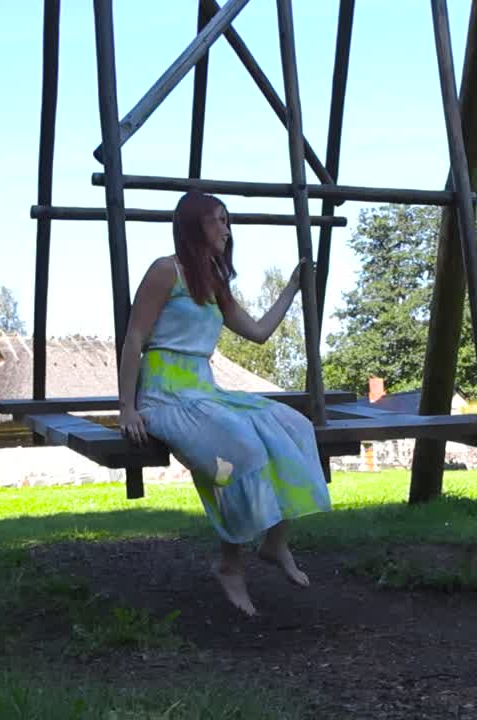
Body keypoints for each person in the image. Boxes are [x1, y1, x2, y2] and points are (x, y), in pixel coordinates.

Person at [116, 191, 332, 616]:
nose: (226, 230)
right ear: (195, 225)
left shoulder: (214, 280)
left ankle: (274, 542)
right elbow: (135, 337)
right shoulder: (166, 272)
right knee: (240, 451)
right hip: (166, 394)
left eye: (227, 221)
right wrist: (127, 406)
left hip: (205, 388)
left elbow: (258, 332)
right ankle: (230, 564)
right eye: (219, 220)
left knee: (294, 427)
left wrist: (291, 287)